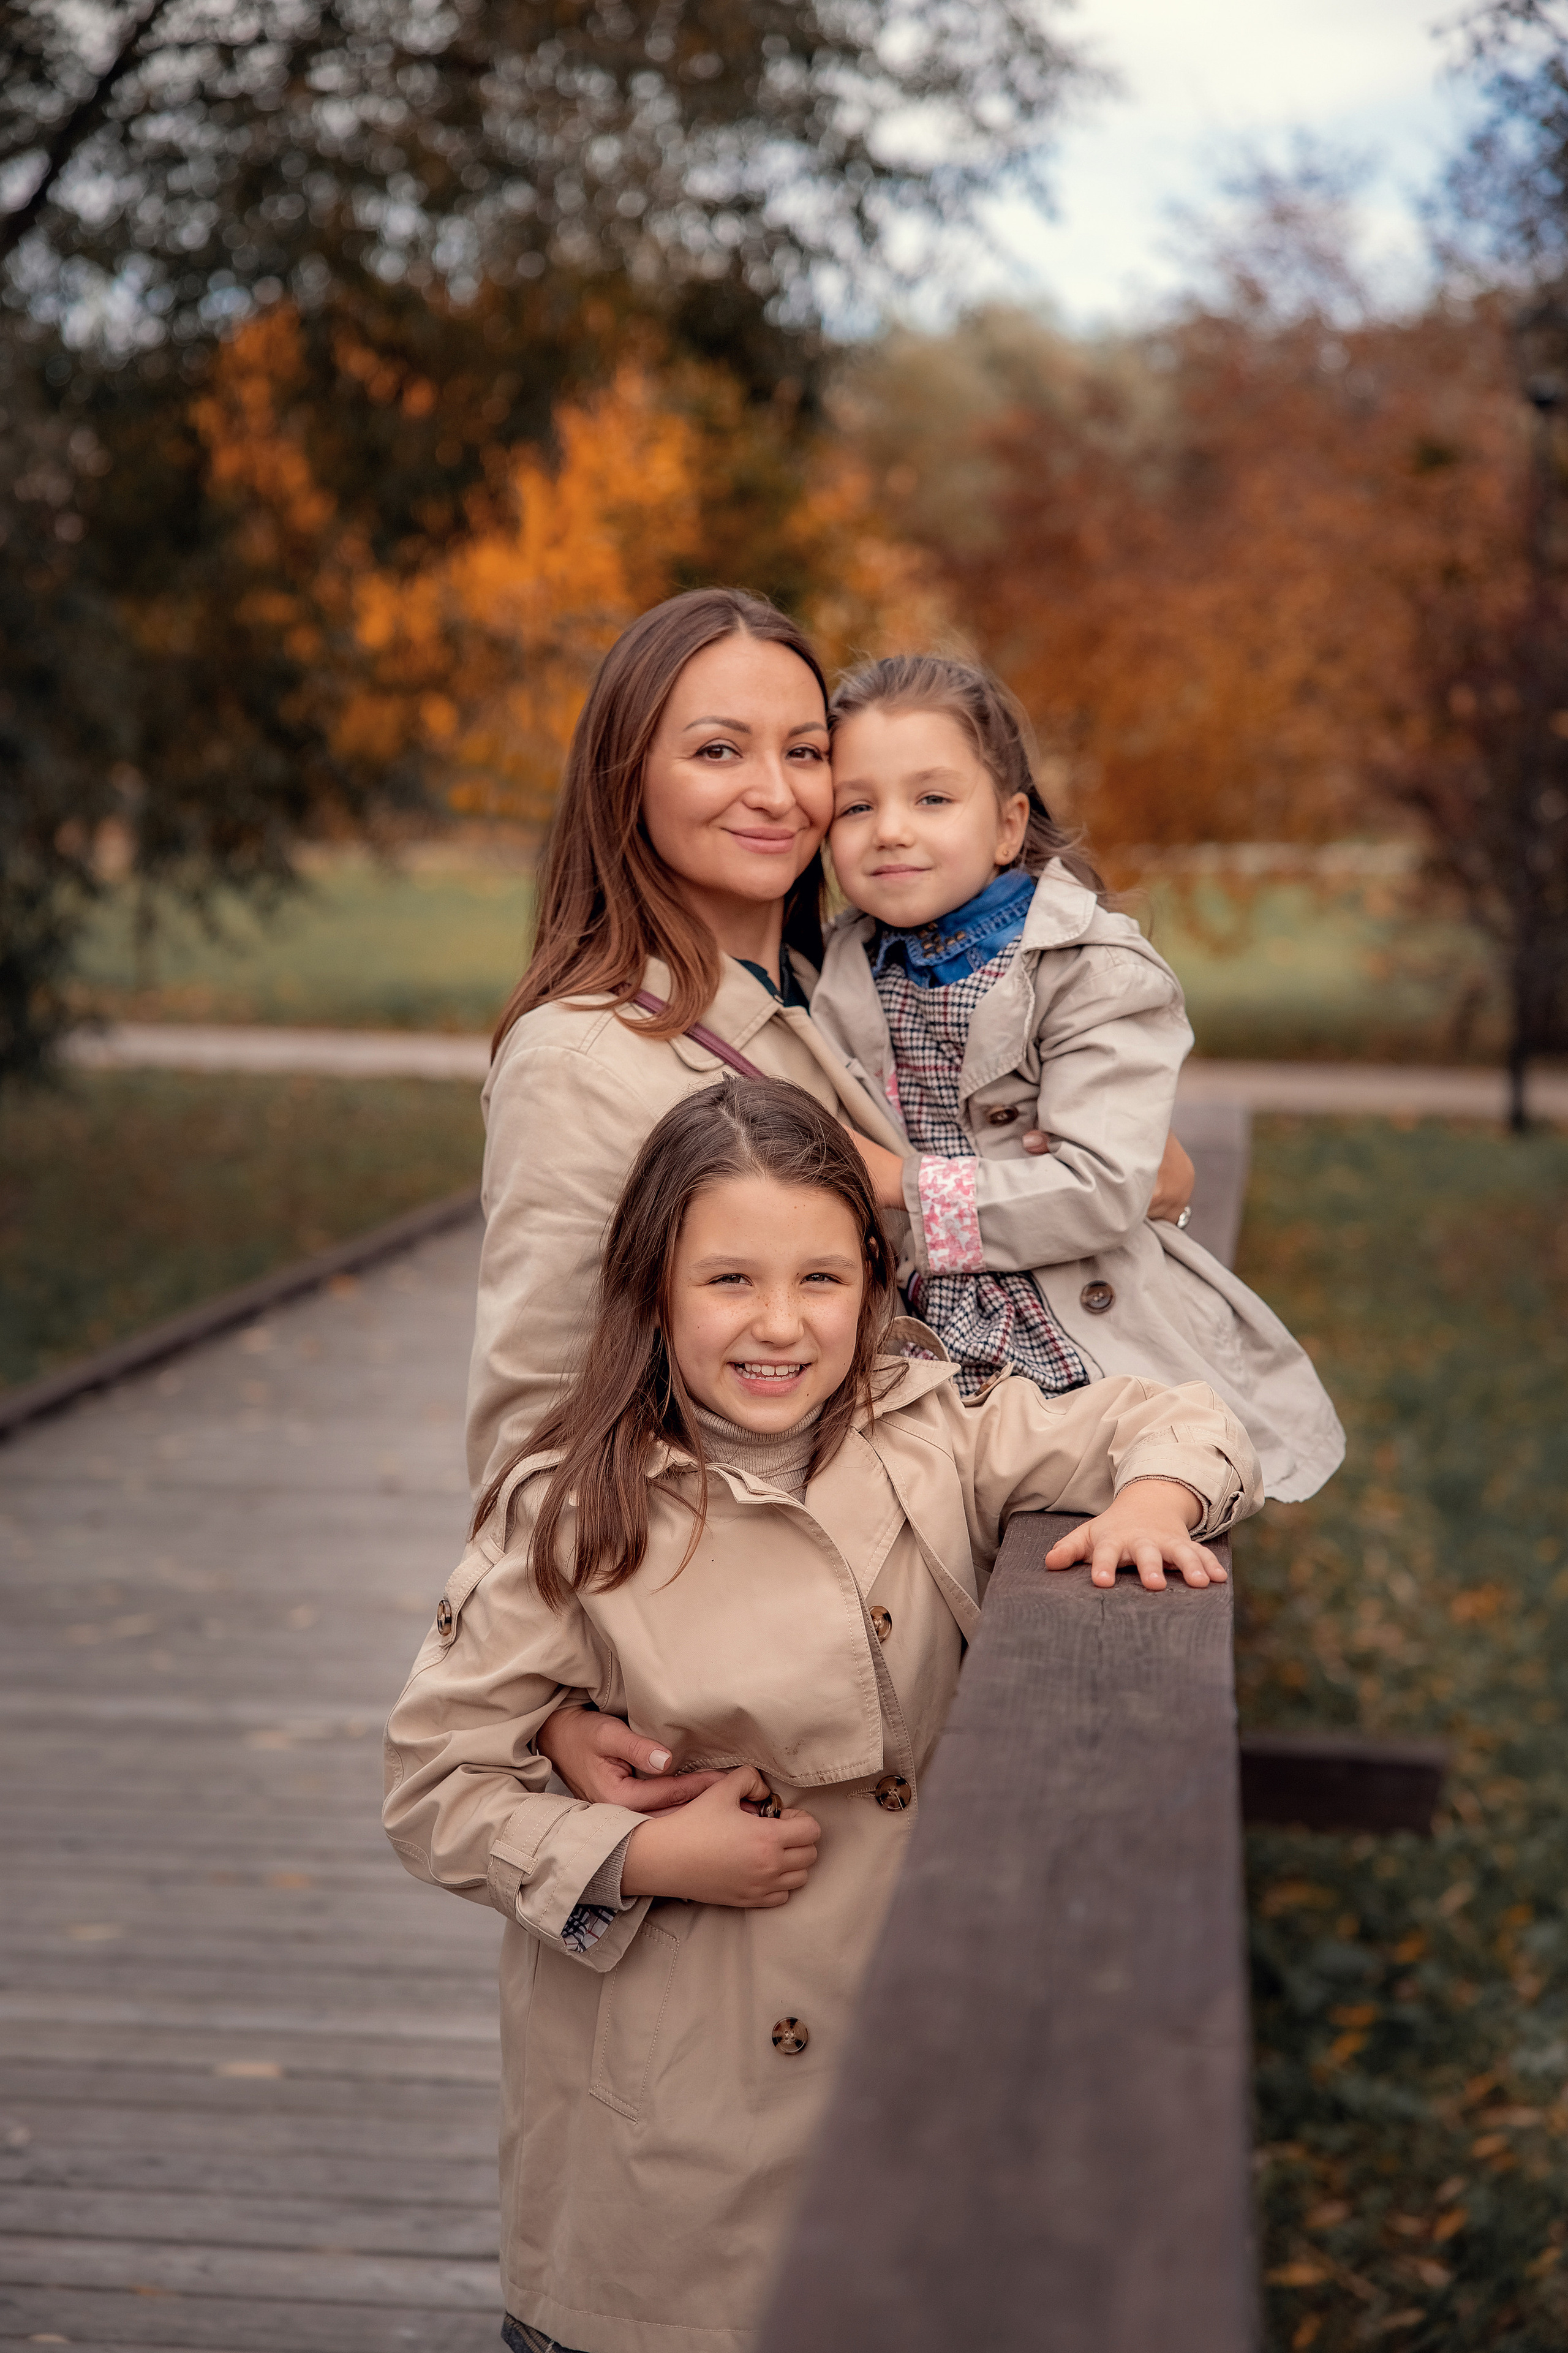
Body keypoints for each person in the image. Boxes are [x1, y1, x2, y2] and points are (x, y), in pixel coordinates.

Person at [384, 1078, 1263, 2353]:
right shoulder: (572, 1505)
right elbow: (431, 1784)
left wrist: (1154, 1503)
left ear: (873, 1281)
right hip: (668, 2110)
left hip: (898, 2042)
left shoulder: (931, 1429)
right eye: (728, 1280)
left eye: (820, 1280)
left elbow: (1179, 1413)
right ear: (652, 1288)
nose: (780, 1325)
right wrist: (640, 1854)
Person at [809, 651, 1344, 1502]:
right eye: (857, 805)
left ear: (1009, 825)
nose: (891, 829)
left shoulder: (1090, 972)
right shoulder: (837, 970)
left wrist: (899, 1183)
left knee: (1075, 1525)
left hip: (1078, 1331)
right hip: (913, 1335)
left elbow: (1101, 1185)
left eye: (933, 798)